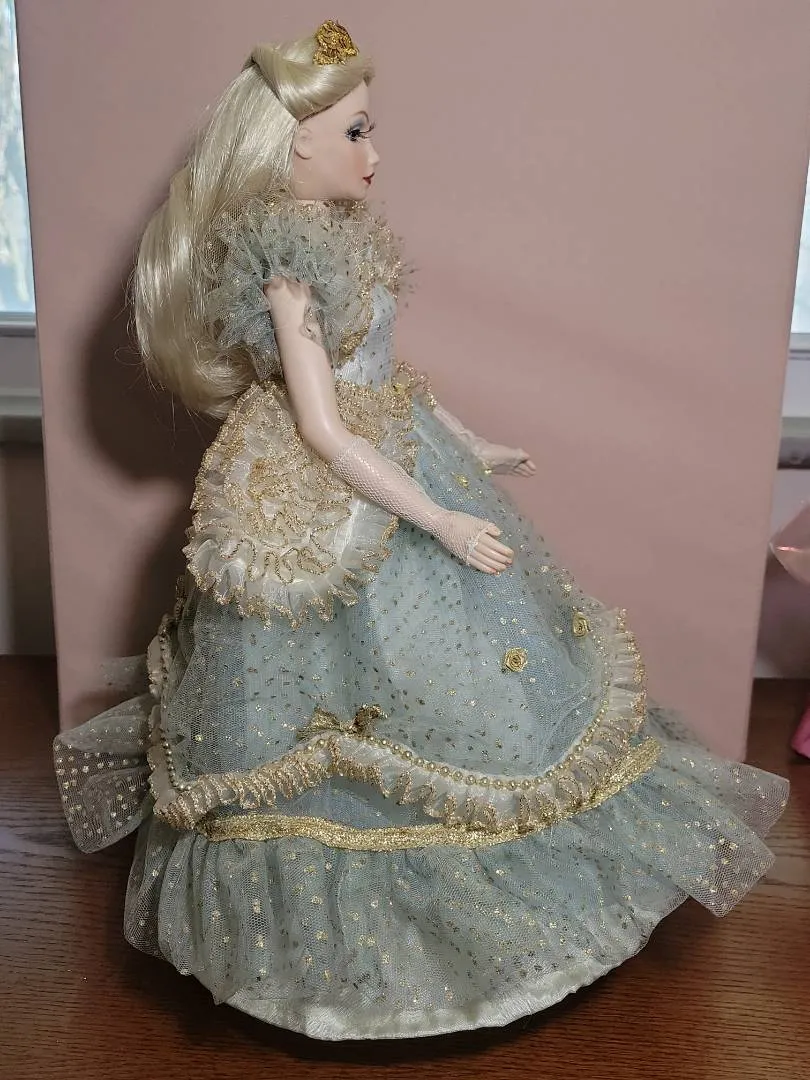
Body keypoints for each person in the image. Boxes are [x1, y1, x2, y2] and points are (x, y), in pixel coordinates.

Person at [54, 21, 789, 1041]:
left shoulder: (344, 236)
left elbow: (383, 374)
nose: (374, 152)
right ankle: (330, 959)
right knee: (312, 694)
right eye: (355, 131)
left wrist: (469, 445)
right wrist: (438, 515)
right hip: (329, 493)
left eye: (370, 128)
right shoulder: (283, 261)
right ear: (295, 143)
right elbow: (322, 428)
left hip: (399, 450)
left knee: (477, 689)